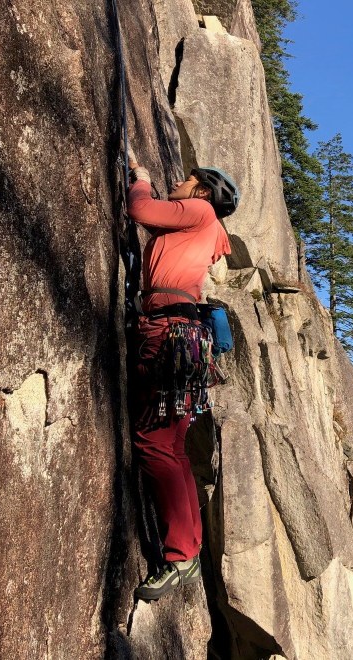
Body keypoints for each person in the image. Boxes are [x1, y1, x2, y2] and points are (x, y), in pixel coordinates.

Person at [126, 154, 238, 600]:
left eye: (187, 179)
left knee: (155, 445)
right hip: (182, 332)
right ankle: (186, 552)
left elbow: (141, 209)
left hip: (167, 332)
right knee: (171, 448)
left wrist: (141, 178)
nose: (178, 181)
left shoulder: (200, 211)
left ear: (203, 192)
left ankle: (179, 556)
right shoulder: (206, 226)